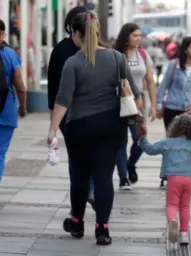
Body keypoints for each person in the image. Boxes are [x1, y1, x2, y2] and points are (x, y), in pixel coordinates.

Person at [47, 11, 141, 246]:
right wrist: (142, 121)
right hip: (111, 126)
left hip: (80, 127)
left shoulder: (73, 63)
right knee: (103, 177)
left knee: (79, 177)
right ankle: (102, 228)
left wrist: (52, 130)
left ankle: (77, 221)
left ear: (76, 34)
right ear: (97, 32)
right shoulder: (117, 57)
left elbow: (63, 99)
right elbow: (136, 94)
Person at [47, 6, 95, 210]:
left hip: (67, 114)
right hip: (92, 112)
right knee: (93, 154)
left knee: (76, 157)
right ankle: (90, 190)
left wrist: (54, 121)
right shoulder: (102, 51)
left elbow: (53, 87)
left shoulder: (60, 49)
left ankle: (81, 194)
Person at [138, 114, 191, 246]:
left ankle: (172, 221)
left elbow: (150, 149)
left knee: (171, 205)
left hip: (173, 179)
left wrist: (143, 138)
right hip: (188, 179)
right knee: (185, 206)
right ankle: (184, 235)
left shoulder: (167, 143)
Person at [156, 36, 191, 189]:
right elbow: (163, 86)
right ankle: (167, 175)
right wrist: (159, 106)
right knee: (172, 145)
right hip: (173, 110)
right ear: (185, 49)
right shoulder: (174, 66)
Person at [115, 23, 156, 190]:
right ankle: (123, 177)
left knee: (140, 138)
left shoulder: (143, 55)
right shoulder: (116, 54)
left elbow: (151, 81)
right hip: (118, 101)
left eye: (140, 35)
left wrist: (153, 105)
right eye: (135, 35)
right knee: (121, 141)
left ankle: (131, 164)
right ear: (126, 37)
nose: (139, 39)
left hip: (137, 103)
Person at [0, 19, 27, 180]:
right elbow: (21, 87)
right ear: (2, 34)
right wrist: (22, 107)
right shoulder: (10, 54)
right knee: (0, 153)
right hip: (6, 111)